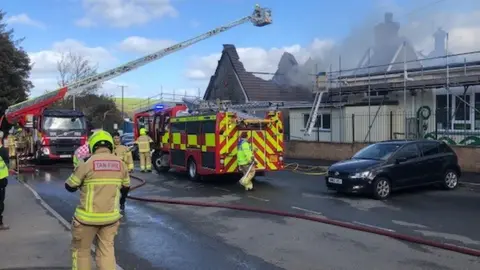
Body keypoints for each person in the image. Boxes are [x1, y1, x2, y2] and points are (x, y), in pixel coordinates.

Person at [65, 130, 130, 270]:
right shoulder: (121, 164)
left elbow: (69, 186)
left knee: (82, 252)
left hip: (86, 219)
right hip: (110, 218)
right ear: (111, 145)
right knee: (107, 252)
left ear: (92, 146)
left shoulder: (86, 163)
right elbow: (126, 188)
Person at [112, 132, 134, 212]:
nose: (116, 140)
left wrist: (130, 168)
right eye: (115, 138)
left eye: (117, 138)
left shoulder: (125, 148)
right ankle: (115, 205)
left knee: (126, 187)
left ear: (120, 139)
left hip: (124, 171)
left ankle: (122, 201)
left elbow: (129, 159)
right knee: (114, 189)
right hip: (113, 172)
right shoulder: (110, 149)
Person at [0, 131, 9, 230]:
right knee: (0, 202)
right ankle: (0, 223)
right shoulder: (3, 151)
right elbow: (7, 165)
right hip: (1, 181)